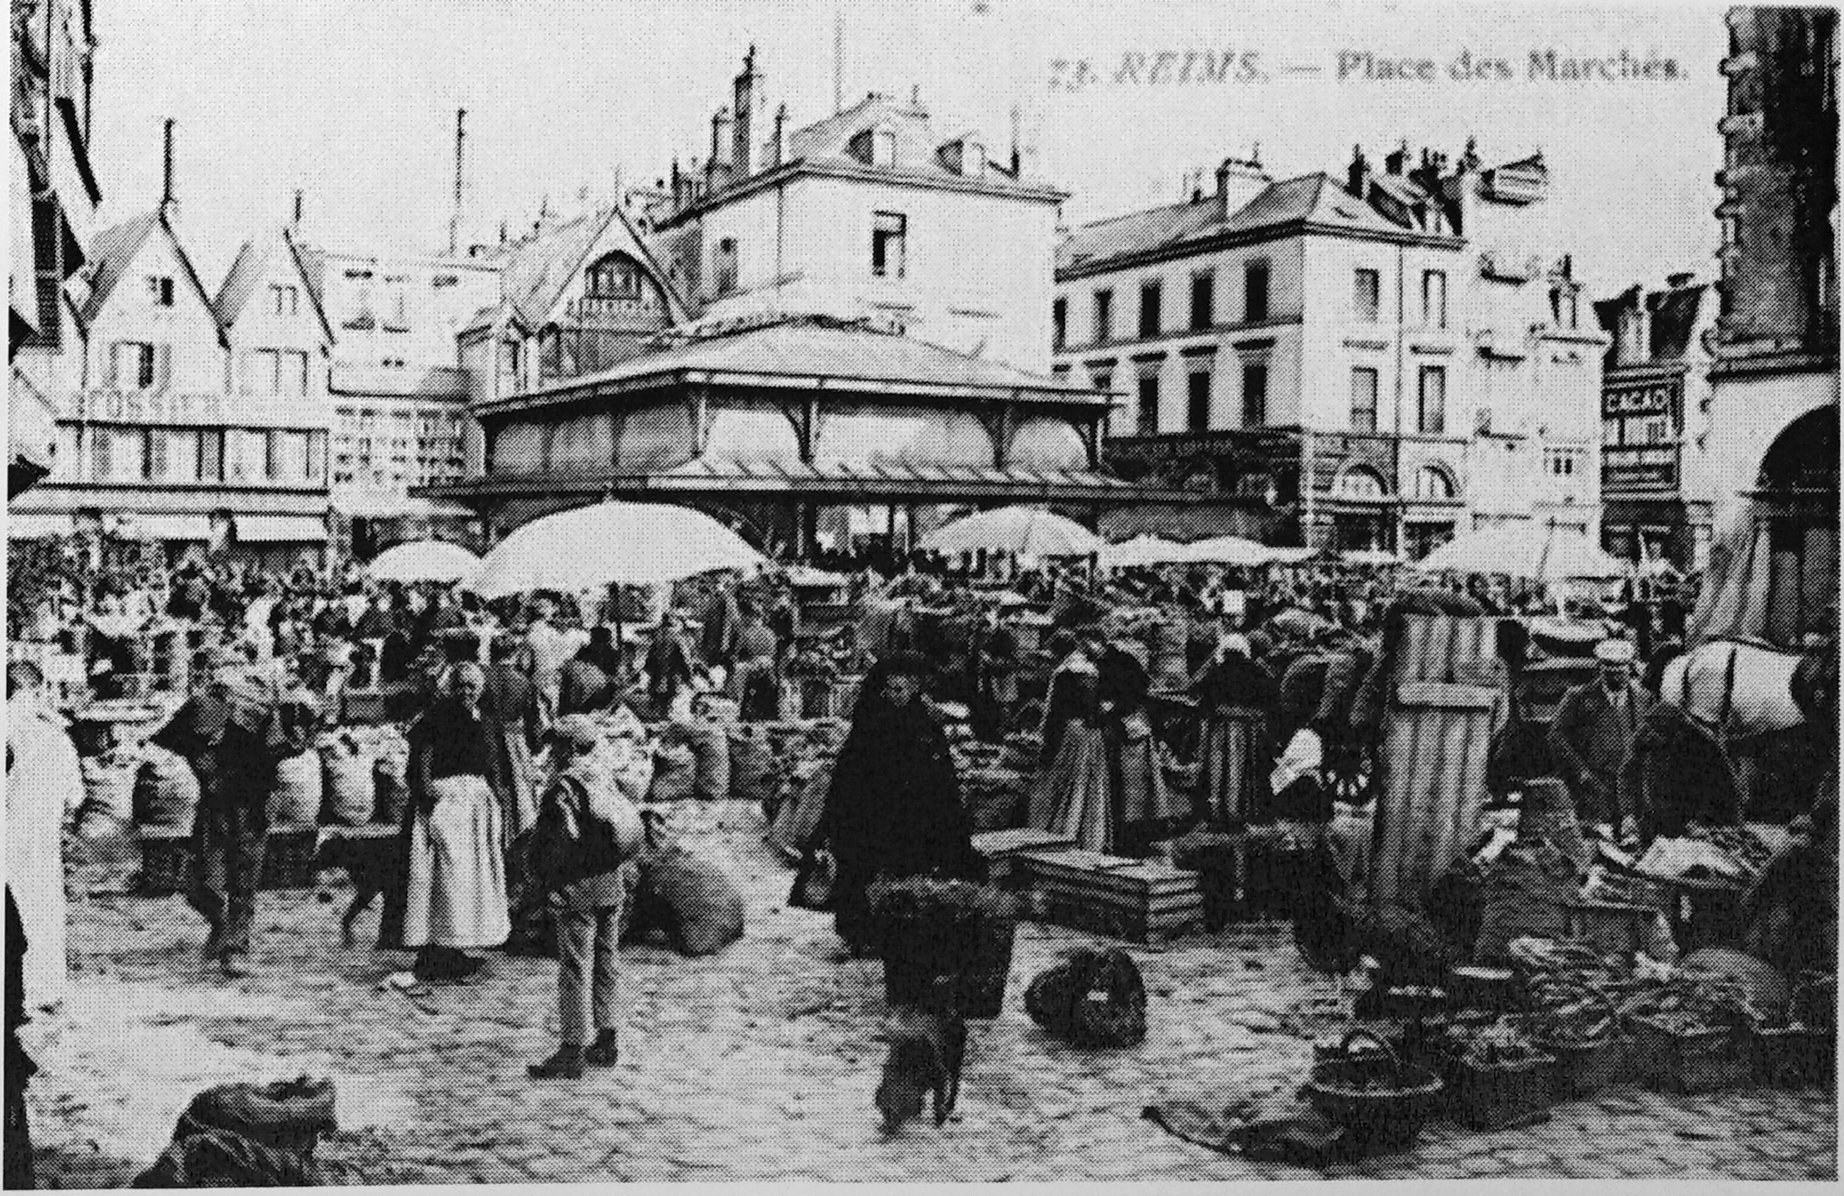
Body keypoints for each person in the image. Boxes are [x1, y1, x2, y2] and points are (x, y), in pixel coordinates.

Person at [811, 653, 978, 955]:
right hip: (871, 811)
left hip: (910, 814)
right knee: (863, 870)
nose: (893, 695)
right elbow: (852, 772)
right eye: (889, 690)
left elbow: (940, 771)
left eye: (901, 690)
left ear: (915, 688)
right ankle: (860, 932)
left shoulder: (925, 720)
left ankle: (898, 931)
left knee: (906, 871)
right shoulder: (872, 722)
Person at [526, 716, 638, 1079]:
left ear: (570, 748)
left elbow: (561, 838)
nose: (551, 752)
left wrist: (546, 878)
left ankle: (572, 1048)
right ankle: (607, 1037)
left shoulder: (565, 785)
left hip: (579, 885)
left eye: (556, 745)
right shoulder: (602, 774)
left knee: (574, 966)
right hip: (611, 880)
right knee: (607, 960)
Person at [397, 663, 512, 982]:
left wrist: (498, 800)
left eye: (472, 687)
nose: (466, 692)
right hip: (446, 802)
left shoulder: (486, 720)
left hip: (475, 804)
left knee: (471, 879)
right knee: (444, 874)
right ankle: (436, 947)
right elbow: (422, 756)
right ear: (452, 687)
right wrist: (425, 790)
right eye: (461, 686)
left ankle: (458, 944)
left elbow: (494, 763)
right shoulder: (436, 717)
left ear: (481, 690)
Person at [6, 663, 81, 1010]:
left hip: (8, 838)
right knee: (44, 913)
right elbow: (75, 797)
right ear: (37, 692)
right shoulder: (56, 736)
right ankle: (45, 991)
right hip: (40, 842)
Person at [1549, 637, 1649, 837]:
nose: (1617, 678)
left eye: (1622, 672)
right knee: (1595, 841)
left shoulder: (1642, 699)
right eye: (1610, 673)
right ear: (1600, 670)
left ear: (1630, 669)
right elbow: (1556, 736)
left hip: (1630, 789)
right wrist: (1580, 771)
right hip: (1594, 785)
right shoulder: (1578, 697)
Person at [1027, 629, 1113, 851]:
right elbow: (1098, 707)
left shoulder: (1064, 672)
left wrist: (1046, 748)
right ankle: (1090, 838)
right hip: (1091, 735)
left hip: (1071, 733)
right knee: (1089, 786)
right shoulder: (1092, 670)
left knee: (1066, 785)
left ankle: (1062, 834)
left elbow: (1054, 714)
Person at [1191, 633, 1279, 827]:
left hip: (1222, 728)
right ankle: (1244, 811)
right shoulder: (1256, 670)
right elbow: (1270, 694)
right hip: (1249, 730)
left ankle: (1219, 811)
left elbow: (1198, 690)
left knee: (1219, 769)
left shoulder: (1218, 671)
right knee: (1247, 769)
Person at [559, 626, 622, 718]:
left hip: (603, 693)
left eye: (599, 642)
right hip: (583, 693)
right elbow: (574, 669)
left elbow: (615, 676)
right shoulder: (584, 651)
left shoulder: (612, 654)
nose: (595, 645)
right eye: (594, 640)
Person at [644, 612, 697, 719]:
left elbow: (650, 656)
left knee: (658, 692)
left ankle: (657, 713)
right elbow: (683, 658)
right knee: (668, 694)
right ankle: (663, 715)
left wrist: (649, 668)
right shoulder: (676, 637)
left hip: (658, 672)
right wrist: (688, 676)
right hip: (671, 672)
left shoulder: (657, 635)